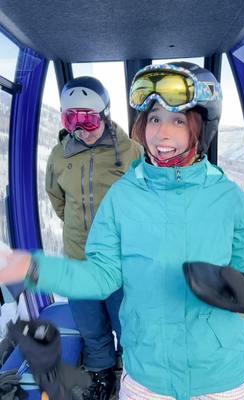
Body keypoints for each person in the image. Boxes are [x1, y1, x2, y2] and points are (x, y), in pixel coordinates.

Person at [1, 62, 244, 400]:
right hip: (147, 378)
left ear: (201, 128)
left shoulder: (228, 199)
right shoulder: (122, 198)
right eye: (154, 119)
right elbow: (100, 275)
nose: (162, 135)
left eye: (178, 120)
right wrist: (30, 267)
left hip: (221, 377)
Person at [45, 76, 143, 399]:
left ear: (105, 115)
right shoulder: (59, 157)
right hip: (79, 263)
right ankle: (102, 372)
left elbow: (146, 200)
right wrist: (78, 230)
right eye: (70, 118)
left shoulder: (130, 152)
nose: (80, 128)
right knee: (91, 327)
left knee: (125, 322)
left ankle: (134, 370)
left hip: (117, 262)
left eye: (87, 118)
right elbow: (57, 199)